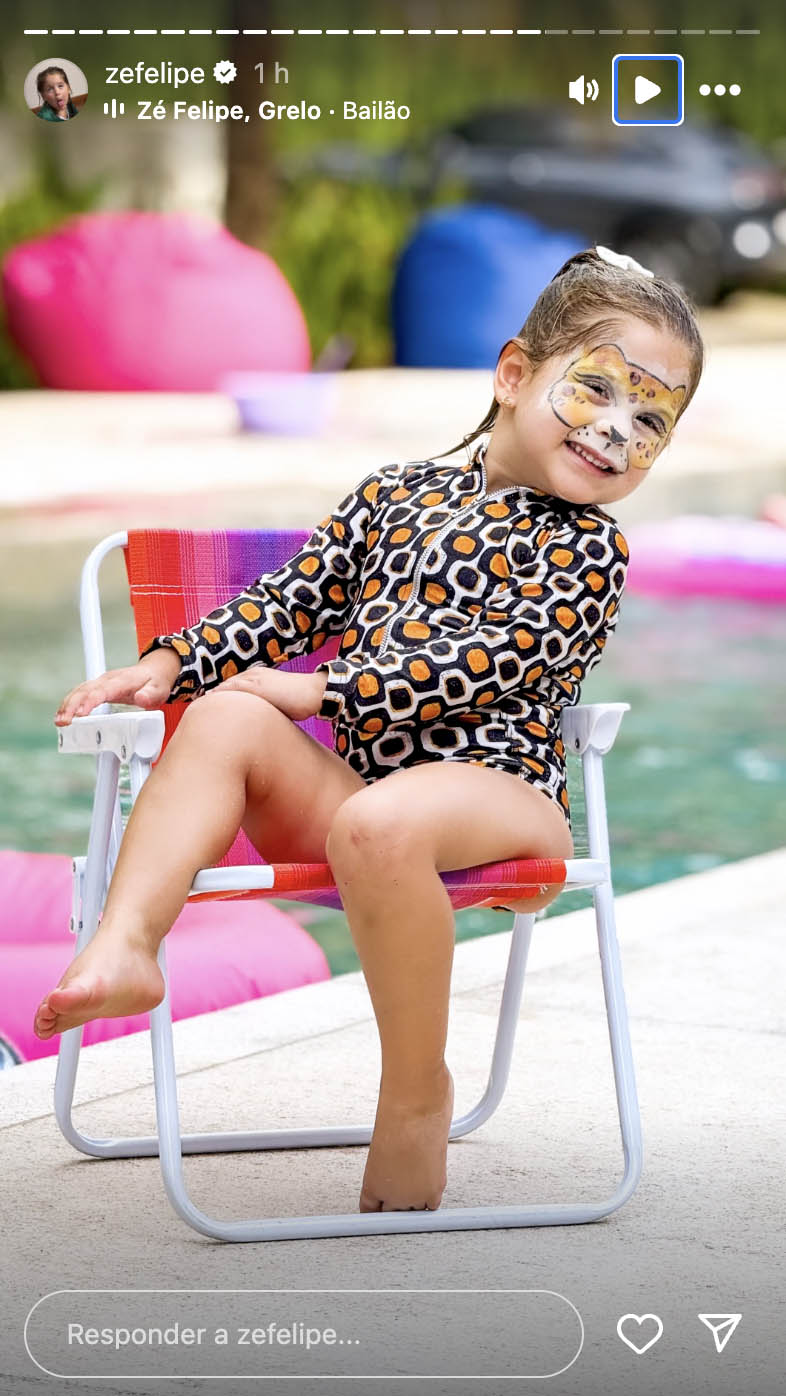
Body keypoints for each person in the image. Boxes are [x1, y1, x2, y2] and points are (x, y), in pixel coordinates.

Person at [35, 246, 704, 1214]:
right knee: (229, 713)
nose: (616, 430)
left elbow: (486, 661)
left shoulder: (590, 549)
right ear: (515, 374)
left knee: (378, 816)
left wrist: (323, 693)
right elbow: (295, 601)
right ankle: (129, 941)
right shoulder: (393, 496)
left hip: (502, 799)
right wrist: (173, 665)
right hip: (363, 813)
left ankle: (417, 1092)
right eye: (597, 388)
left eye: (652, 420)